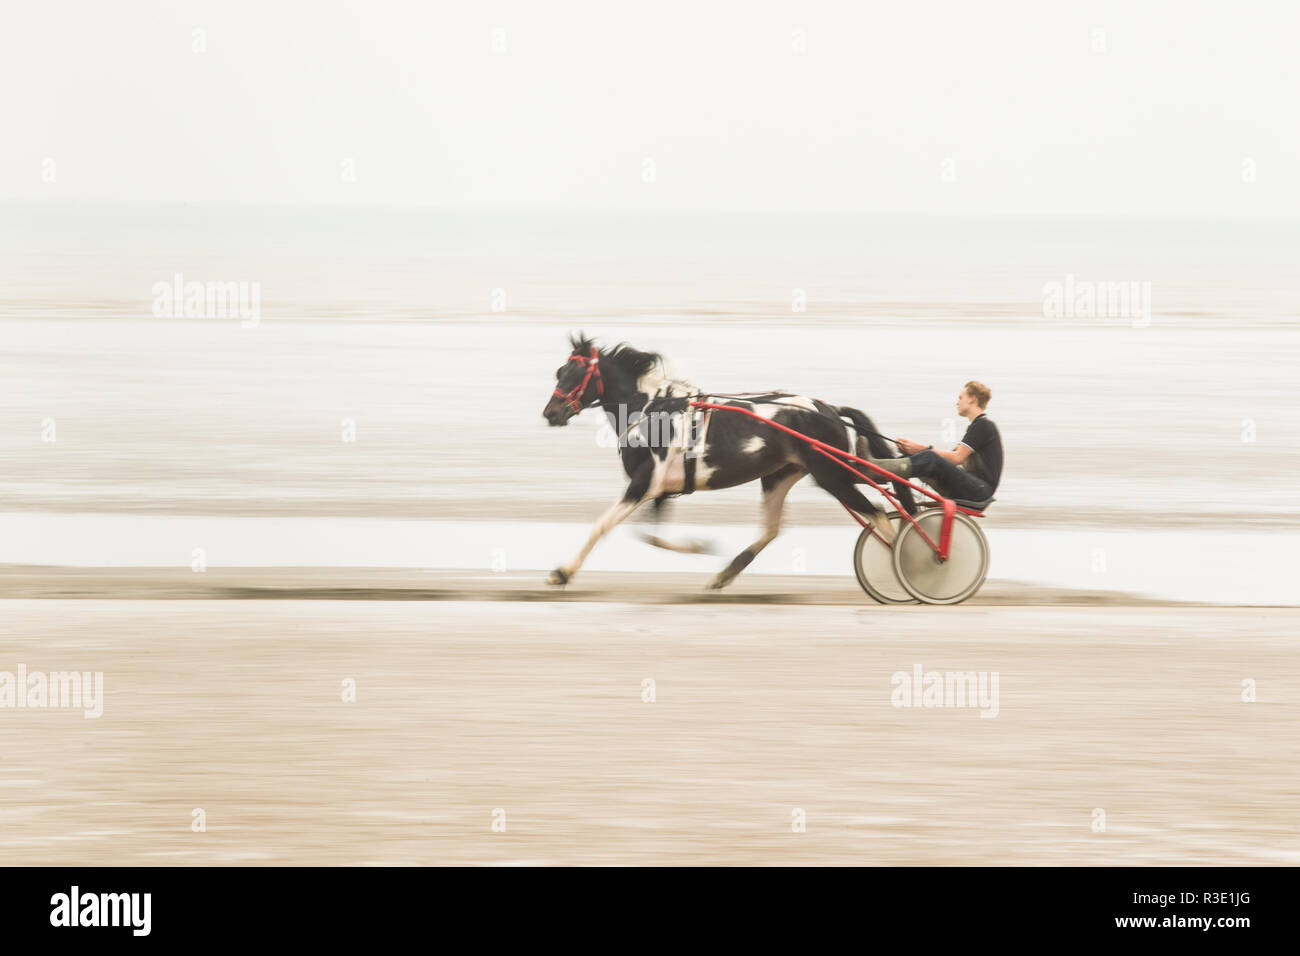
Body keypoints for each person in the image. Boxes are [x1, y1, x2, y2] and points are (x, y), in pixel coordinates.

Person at [866, 381, 1003, 503]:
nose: (957, 402)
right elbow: (950, 458)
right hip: (976, 487)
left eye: (961, 398)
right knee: (920, 458)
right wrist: (913, 451)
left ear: (972, 399)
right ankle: (907, 503)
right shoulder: (978, 426)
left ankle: (874, 467)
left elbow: (957, 458)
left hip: (980, 489)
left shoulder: (983, 425)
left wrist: (921, 449)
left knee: (930, 457)